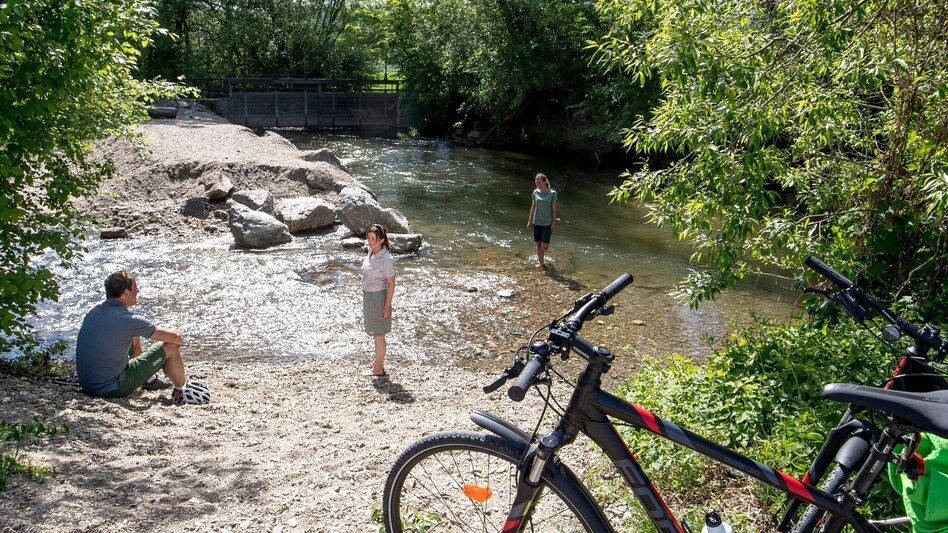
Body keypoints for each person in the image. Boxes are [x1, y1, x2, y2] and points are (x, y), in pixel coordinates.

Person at [75, 271, 210, 405]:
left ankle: (149, 380)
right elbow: (175, 337)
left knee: (133, 333)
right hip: (112, 388)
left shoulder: (94, 312)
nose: (138, 291)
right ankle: (181, 391)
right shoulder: (128, 320)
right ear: (126, 293)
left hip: (87, 384)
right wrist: (178, 333)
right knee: (170, 345)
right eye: (135, 288)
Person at [361, 224, 396, 377]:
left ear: (382, 240)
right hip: (369, 297)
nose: (370, 241)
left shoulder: (386, 258)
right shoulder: (371, 253)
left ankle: (379, 369)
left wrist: (387, 305)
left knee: (379, 334)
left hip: (379, 298)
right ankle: (377, 361)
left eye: (373, 239)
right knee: (376, 332)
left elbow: (391, 283)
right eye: (368, 238)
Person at [527, 172, 558, 268]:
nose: (538, 185)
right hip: (537, 222)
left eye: (539, 183)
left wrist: (553, 223)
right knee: (538, 244)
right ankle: (542, 263)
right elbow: (532, 208)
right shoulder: (535, 192)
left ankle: (545, 254)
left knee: (544, 246)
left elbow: (554, 209)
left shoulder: (552, 193)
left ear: (545, 182)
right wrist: (530, 221)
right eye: (536, 183)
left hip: (547, 223)